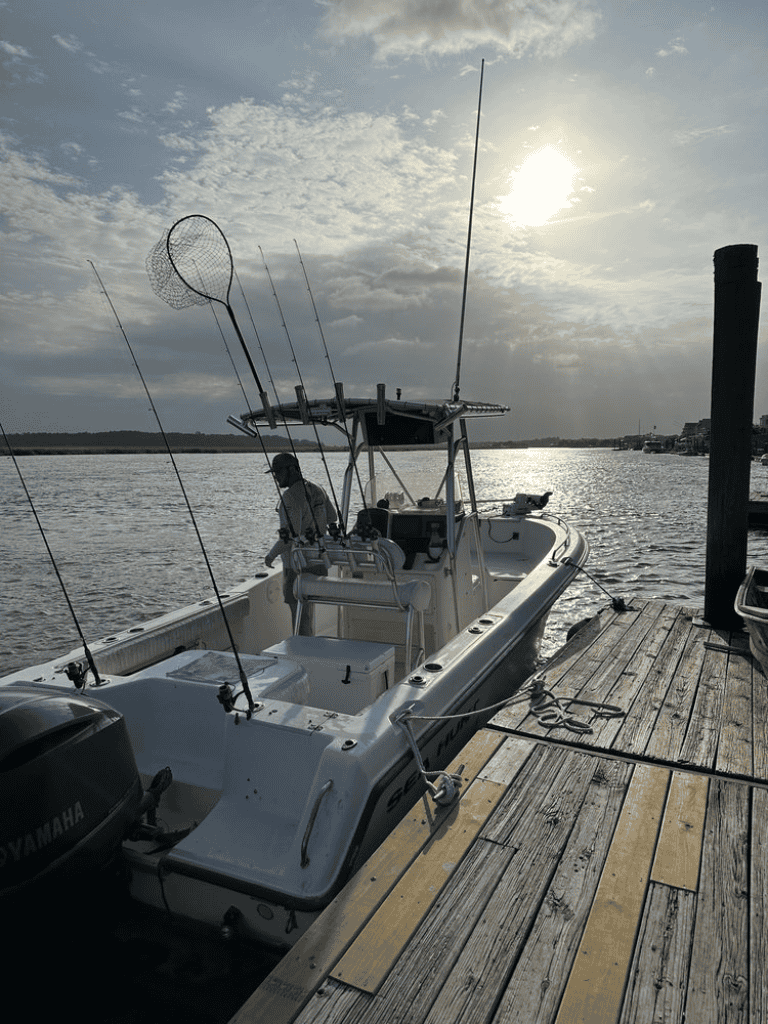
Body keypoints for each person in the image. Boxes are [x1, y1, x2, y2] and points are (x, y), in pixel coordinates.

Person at [264, 452, 337, 634]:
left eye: (278, 472)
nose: (276, 477)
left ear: (292, 470)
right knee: (307, 615)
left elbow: (288, 537)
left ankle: (302, 653)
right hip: (319, 564)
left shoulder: (289, 498)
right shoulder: (318, 489)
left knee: (299, 618)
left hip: (297, 566)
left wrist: (270, 555)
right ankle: (308, 647)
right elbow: (332, 517)